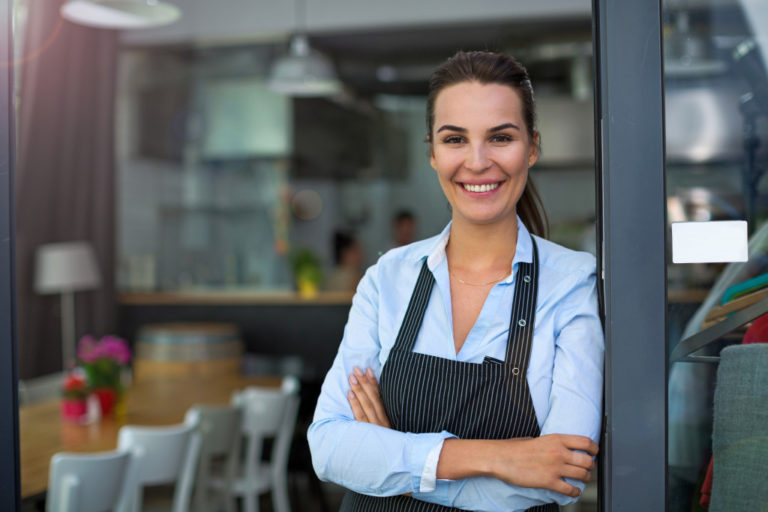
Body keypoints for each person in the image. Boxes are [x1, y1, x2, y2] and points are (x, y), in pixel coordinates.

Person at [308, 51, 603, 512]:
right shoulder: (388, 278)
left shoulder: (568, 283)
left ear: (532, 147)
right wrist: (497, 457)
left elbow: (559, 475)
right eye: (455, 139)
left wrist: (393, 461)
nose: (478, 161)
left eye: (500, 137)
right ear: (432, 152)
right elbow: (328, 446)